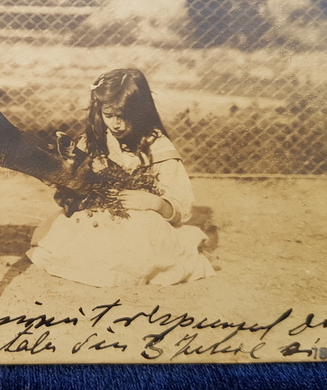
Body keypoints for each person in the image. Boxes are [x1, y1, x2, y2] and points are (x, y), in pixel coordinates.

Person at [27, 69, 216, 287]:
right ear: (99, 111)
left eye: (124, 116)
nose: (116, 124)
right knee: (69, 237)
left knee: (134, 246)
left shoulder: (156, 145)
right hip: (98, 219)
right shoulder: (91, 142)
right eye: (109, 116)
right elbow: (69, 193)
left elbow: (181, 206)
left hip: (143, 224)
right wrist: (74, 189)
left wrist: (155, 203)